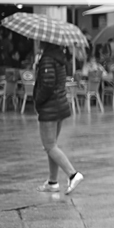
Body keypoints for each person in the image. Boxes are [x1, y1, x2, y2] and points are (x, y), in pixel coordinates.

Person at [34, 42, 85, 195]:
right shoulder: (59, 58)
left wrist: (37, 100)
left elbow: (47, 85)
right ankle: (52, 182)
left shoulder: (47, 59)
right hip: (59, 105)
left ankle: (73, 174)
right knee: (52, 146)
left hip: (49, 107)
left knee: (49, 146)